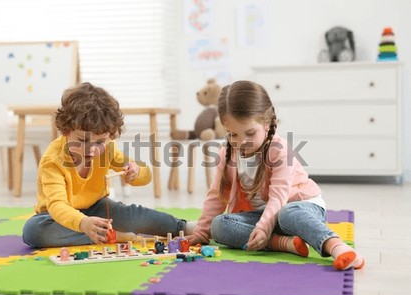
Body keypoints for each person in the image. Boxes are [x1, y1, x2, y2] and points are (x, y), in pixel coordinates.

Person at [186, 80, 364, 271]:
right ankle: (283, 243)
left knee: (287, 213)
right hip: (263, 217)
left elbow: (279, 198)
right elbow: (216, 196)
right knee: (219, 225)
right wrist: (201, 232)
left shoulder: (279, 150)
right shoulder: (226, 154)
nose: (242, 142)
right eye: (232, 134)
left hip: (298, 209)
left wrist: (263, 228)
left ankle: (336, 246)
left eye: (250, 133)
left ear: (267, 123)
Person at [23, 82, 193, 248]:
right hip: (56, 216)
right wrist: (83, 223)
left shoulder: (108, 149)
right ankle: (110, 235)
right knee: (34, 231)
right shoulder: (53, 161)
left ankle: (182, 227)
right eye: (82, 140)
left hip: (97, 207)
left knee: (133, 215)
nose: (91, 149)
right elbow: (57, 206)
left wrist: (136, 171)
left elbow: (145, 175)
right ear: (65, 131)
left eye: (100, 142)